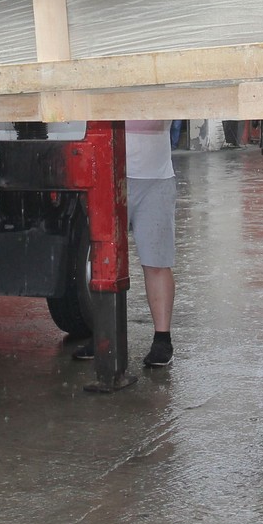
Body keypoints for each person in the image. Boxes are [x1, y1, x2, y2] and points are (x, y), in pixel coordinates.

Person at [73, 120, 178, 368]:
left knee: (157, 262)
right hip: (106, 173)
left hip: (155, 179)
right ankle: (102, 336)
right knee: (101, 260)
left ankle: (162, 339)